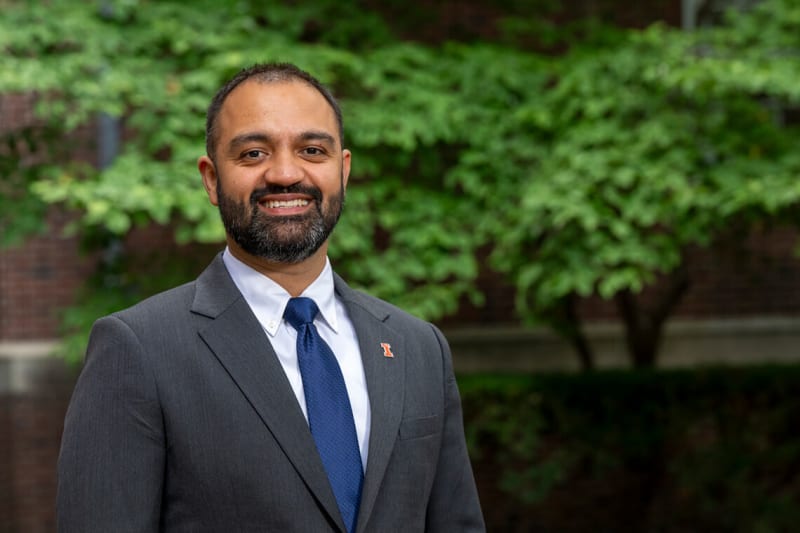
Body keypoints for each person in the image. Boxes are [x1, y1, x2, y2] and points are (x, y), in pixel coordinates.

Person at [57, 62, 485, 533]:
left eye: (312, 149)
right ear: (211, 178)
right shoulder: (138, 350)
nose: (285, 173)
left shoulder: (417, 348)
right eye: (254, 152)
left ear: (342, 171)